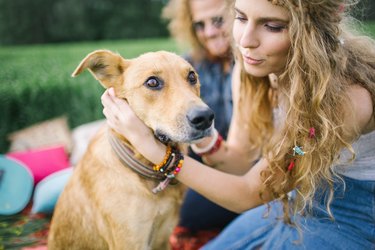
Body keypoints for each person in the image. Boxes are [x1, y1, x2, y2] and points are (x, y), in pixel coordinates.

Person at [101, 0, 375, 249]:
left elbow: (249, 192)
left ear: (311, 33)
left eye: (272, 26)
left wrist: (155, 152)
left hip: (353, 215)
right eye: (241, 18)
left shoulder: (346, 100)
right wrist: (198, 132)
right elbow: (240, 161)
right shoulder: (252, 71)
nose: (245, 40)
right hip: (294, 202)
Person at [161, 0, 241, 249]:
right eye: (199, 25)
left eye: (218, 20)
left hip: (246, 166)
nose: (208, 32)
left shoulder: (256, 64)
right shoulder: (189, 67)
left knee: (181, 208)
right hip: (204, 155)